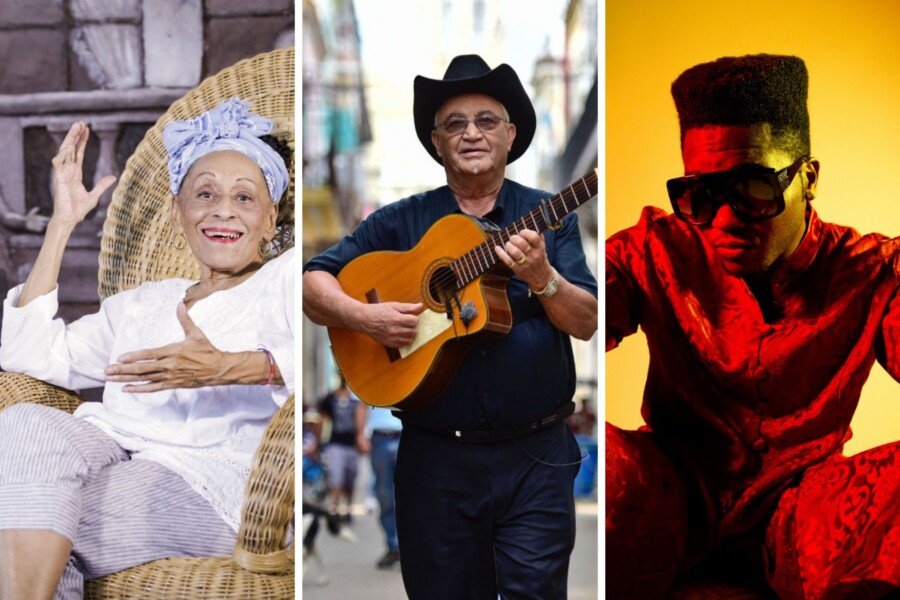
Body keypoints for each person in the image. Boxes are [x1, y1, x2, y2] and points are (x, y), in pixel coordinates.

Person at [303, 54, 598, 599]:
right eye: (454, 123)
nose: (471, 134)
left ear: (511, 135)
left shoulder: (550, 214)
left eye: (486, 120)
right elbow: (313, 281)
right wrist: (363, 316)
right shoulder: (398, 221)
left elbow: (586, 322)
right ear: (436, 141)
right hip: (435, 461)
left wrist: (543, 277)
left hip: (537, 455)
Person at [606, 54, 900, 600]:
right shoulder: (654, 248)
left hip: (802, 514)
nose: (723, 218)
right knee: (597, 462)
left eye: (754, 187)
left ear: (807, 177)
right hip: (671, 503)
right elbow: (572, 310)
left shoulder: (875, 271)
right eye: (701, 192)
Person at [0, 98, 294, 598]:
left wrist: (233, 367)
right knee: (22, 423)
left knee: (32, 517)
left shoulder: (282, 280)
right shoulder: (143, 302)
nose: (223, 208)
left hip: (210, 477)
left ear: (271, 221)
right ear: (180, 212)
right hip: (114, 447)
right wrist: (61, 224)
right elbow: (27, 354)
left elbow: (318, 366)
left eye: (245, 198)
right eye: (205, 193)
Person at [355, 404, 402, 569]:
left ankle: (407, 547)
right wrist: (361, 434)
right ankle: (393, 545)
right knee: (385, 496)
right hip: (380, 438)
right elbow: (361, 405)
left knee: (408, 495)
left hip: (406, 435)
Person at [318, 377, 361, 521]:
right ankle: (334, 510)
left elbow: (361, 420)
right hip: (335, 444)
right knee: (336, 477)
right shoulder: (330, 398)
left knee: (350, 479)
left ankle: (348, 508)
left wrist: (360, 438)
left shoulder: (356, 398)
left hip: (351, 445)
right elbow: (323, 419)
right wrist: (319, 441)